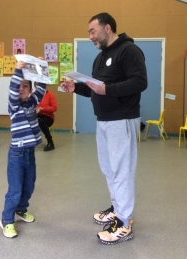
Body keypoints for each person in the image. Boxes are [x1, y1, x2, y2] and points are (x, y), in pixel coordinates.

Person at [61, 12, 147, 245]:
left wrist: (108, 90)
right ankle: (118, 208)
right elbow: (94, 88)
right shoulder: (101, 57)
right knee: (109, 168)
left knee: (121, 171)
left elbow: (140, 82)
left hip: (122, 119)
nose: (90, 36)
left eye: (92, 31)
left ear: (107, 28)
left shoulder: (129, 51)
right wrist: (75, 88)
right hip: (104, 119)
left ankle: (124, 223)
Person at [0, 58, 46, 238]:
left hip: (29, 153)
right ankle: (6, 220)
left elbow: (42, 88)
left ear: (30, 90)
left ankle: (21, 209)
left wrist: (41, 68)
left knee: (29, 185)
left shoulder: (32, 102)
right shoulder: (14, 106)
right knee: (15, 189)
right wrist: (18, 72)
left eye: (25, 86)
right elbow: (13, 89)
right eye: (19, 86)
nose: (21, 89)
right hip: (16, 154)